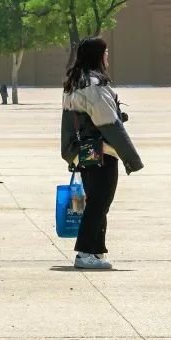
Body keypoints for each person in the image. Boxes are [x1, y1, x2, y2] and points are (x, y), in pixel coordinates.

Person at [60, 36, 144, 270]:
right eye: (105, 52)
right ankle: (85, 253)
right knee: (100, 202)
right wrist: (131, 158)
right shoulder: (94, 84)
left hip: (84, 151)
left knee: (97, 201)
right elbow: (108, 122)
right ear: (97, 55)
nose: (108, 56)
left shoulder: (75, 82)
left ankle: (96, 252)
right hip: (100, 151)